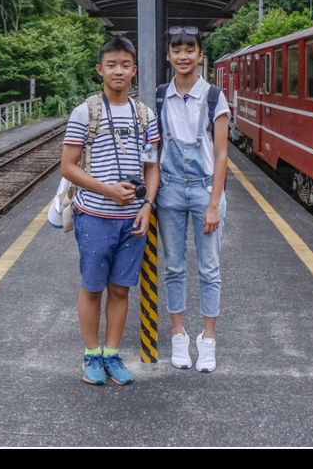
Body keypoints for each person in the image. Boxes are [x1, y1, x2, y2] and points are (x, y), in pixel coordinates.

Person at [61, 36, 159, 386]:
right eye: (112, 65)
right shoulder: (85, 112)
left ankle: (111, 354)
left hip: (132, 218)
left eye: (125, 65)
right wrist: (107, 190)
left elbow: (152, 166)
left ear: (134, 70)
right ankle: (90, 355)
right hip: (94, 215)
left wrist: (147, 205)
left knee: (121, 289)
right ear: (101, 70)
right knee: (92, 288)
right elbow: (68, 166)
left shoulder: (146, 114)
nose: (119, 71)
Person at [156, 26, 230, 373]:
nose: (183, 56)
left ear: (201, 56)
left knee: (209, 267)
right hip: (169, 189)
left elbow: (220, 155)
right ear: (168, 56)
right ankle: (179, 334)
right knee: (173, 266)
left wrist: (214, 202)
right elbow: (153, 150)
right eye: (177, 50)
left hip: (204, 190)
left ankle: (208, 339)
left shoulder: (215, 97)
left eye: (190, 50)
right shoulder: (159, 97)